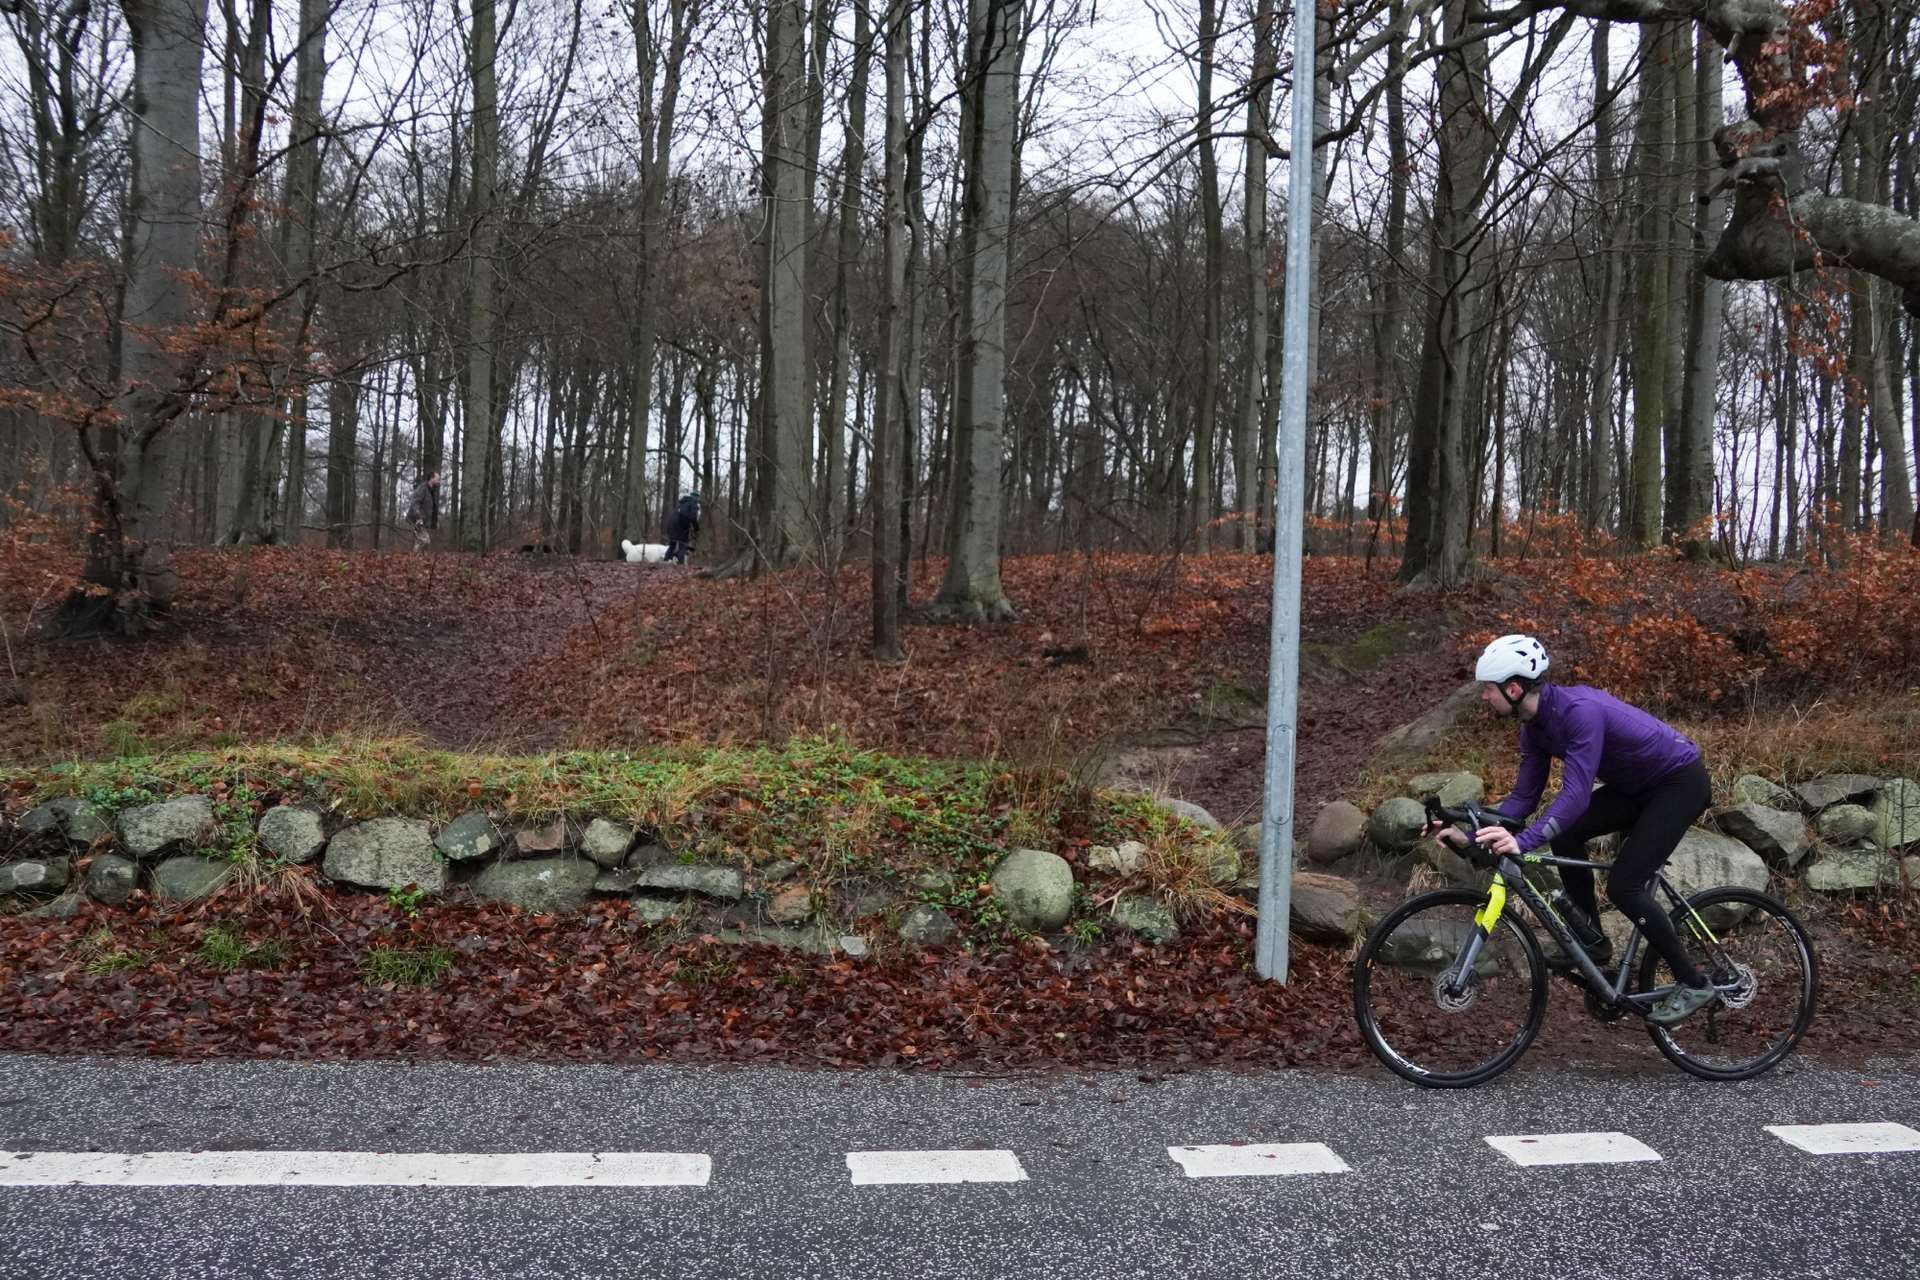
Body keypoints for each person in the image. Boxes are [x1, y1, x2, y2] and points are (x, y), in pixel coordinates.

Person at [1428, 634, 1718, 1026]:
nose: (1484, 697)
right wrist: (1468, 829)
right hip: (1638, 788)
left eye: (1488, 689)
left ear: (1513, 689)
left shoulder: (1579, 712)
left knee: (1624, 884)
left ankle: (1693, 981)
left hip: (1679, 782)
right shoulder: (1535, 727)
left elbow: (1577, 796)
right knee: (1566, 834)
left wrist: (1524, 840)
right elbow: (1522, 802)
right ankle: (1592, 941)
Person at [662, 490, 700, 565]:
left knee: (672, 546)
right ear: (696, 498)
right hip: (682, 527)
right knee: (682, 546)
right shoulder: (693, 505)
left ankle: (665, 562)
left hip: (671, 526)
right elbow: (693, 517)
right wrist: (696, 528)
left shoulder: (681, 504)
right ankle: (680, 566)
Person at [405, 472, 440, 552]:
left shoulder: (432, 491)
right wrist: (418, 517)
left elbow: (432, 508)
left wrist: (434, 522)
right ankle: (415, 557)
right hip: (417, 519)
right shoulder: (422, 488)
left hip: (424, 520)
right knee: (425, 541)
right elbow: (416, 502)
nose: (439, 481)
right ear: (431, 478)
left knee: (420, 541)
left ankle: (418, 559)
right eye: (437, 479)